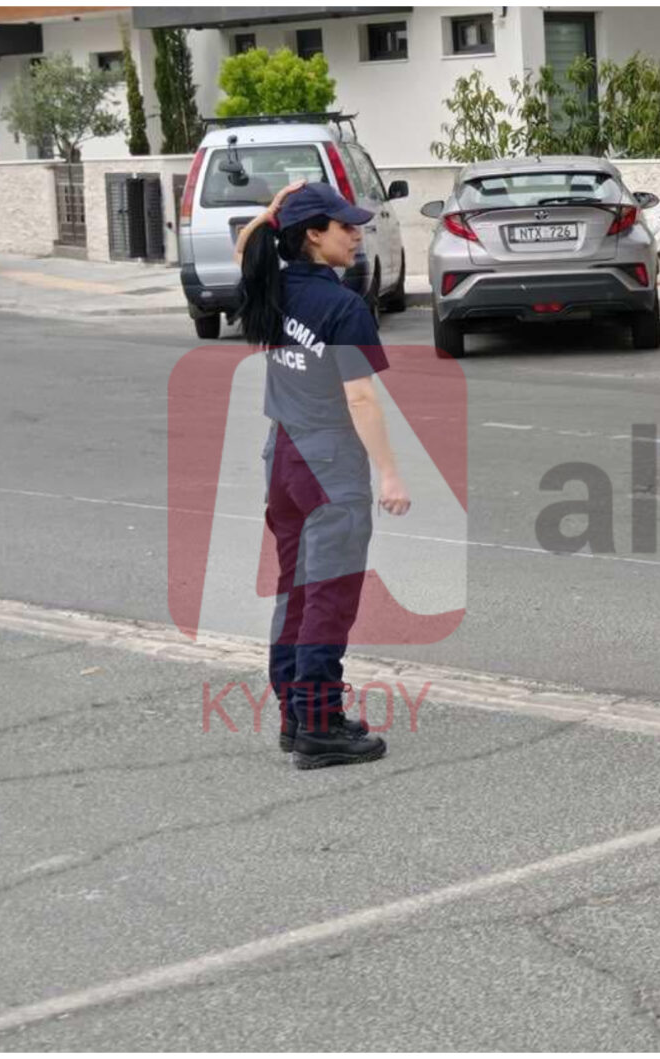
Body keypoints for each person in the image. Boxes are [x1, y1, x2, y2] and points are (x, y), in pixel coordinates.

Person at [236, 179, 412, 770]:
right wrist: (390, 473)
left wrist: (270, 214)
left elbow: (245, 249)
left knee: (296, 589)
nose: (357, 235)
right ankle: (319, 725)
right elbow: (360, 398)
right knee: (329, 596)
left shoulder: (271, 284)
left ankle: (295, 714)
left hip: (284, 457)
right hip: (330, 459)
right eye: (344, 227)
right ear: (313, 235)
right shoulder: (343, 307)